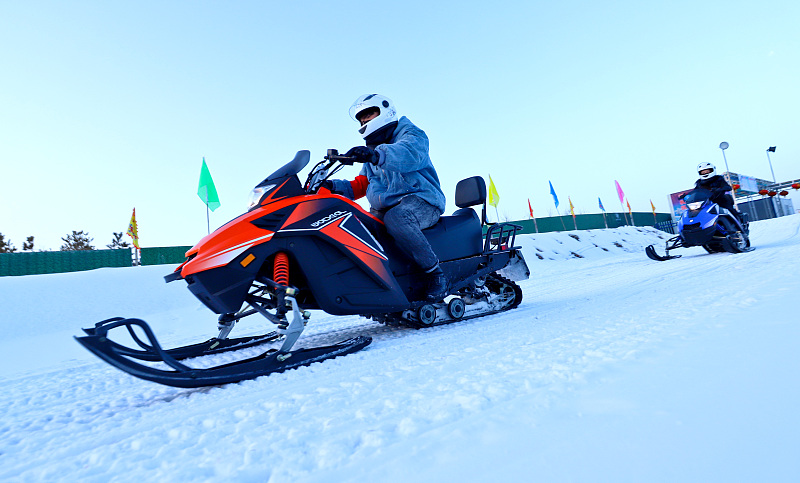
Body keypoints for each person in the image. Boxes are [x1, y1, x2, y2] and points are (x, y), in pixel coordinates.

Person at [323, 94, 447, 301]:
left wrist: (376, 155)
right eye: (361, 118)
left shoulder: (411, 134)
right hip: (385, 209)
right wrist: (330, 187)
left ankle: (435, 274)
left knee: (397, 218)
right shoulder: (373, 151)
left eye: (368, 114)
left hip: (423, 202)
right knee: (354, 224)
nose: (364, 121)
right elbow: (362, 184)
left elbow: (409, 154)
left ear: (385, 111)